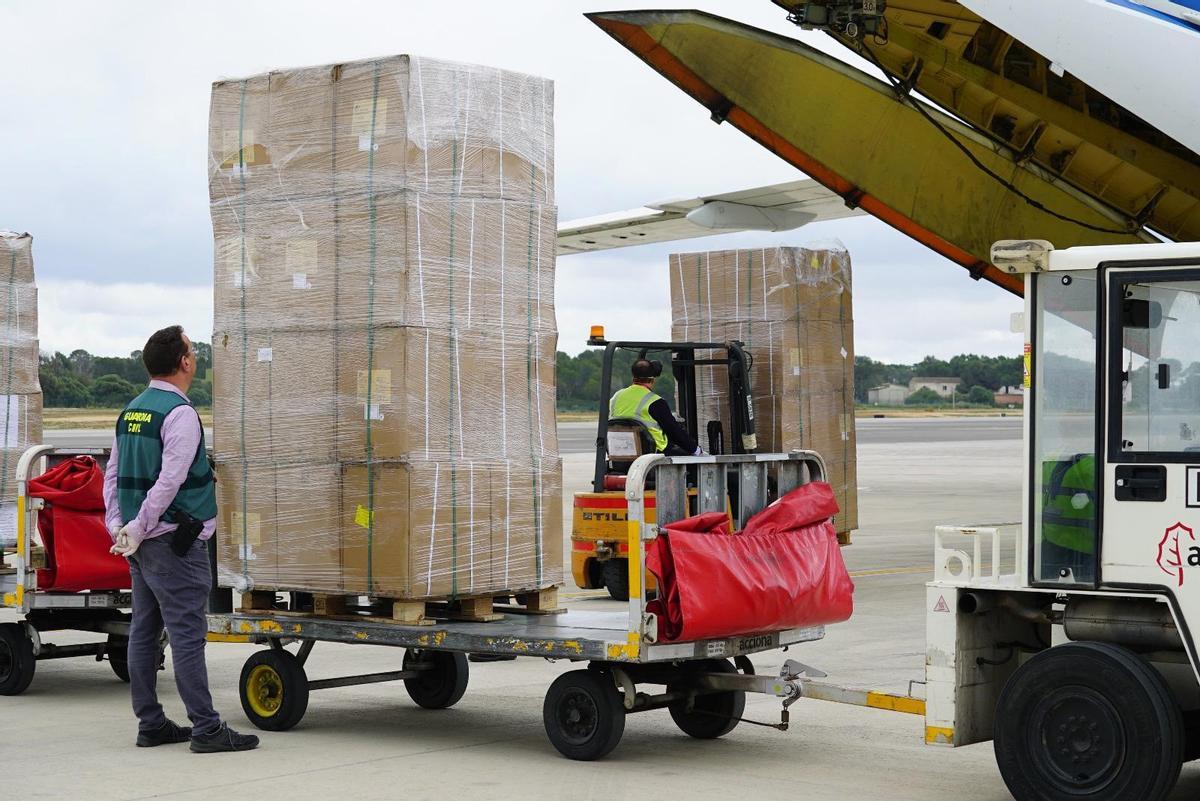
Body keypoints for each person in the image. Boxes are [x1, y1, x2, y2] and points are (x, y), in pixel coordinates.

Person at [103, 325, 259, 753]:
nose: (195, 356)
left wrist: (119, 525)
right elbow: (169, 481)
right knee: (187, 635)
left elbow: (112, 475)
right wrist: (136, 528)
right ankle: (206, 729)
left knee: (143, 630)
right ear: (184, 362)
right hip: (173, 542)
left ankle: (151, 723)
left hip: (139, 542)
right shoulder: (179, 413)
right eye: (192, 351)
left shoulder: (132, 409)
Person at [609, 358, 704, 456]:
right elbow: (674, 431)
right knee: (692, 458)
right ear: (653, 379)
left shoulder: (617, 396)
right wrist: (695, 449)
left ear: (633, 377)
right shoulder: (655, 401)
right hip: (653, 453)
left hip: (619, 452)